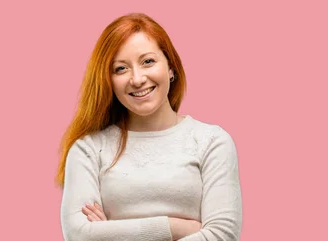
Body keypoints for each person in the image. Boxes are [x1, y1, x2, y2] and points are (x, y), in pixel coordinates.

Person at [55, 12, 242, 241]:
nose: (137, 79)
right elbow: (79, 235)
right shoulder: (89, 149)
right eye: (121, 69)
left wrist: (112, 232)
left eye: (148, 62)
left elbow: (222, 235)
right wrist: (176, 228)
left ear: (171, 68)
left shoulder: (212, 142)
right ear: (108, 81)